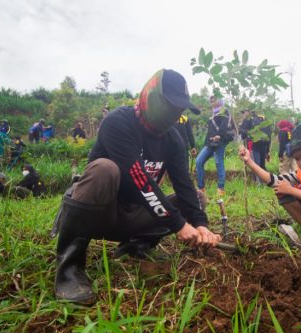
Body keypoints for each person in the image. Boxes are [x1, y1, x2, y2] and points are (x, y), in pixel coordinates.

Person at [51, 69, 221, 305]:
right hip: (99, 214)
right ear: (153, 99)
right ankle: (69, 270)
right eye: (172, 108)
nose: (176, 116)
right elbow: (140, 180)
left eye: (180, 110)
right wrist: (179, 224)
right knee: (104, 169)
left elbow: (184, 186)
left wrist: (201, 224)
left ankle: (134, 247)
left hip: (133, 215)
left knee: (198, 198)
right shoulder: (118, 123)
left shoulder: (173, 139)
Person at [195, 96, 231, 199]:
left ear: (219, 100)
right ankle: (201, 188)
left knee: (219, 163)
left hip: (219, 142)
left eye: (214, 99)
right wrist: (206, 142)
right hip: (209, 143)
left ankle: (221, 188)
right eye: (211, 99)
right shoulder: (213, 113)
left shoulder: (225, 111)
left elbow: (224, 125)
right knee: (198, 161)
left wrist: (219, 135)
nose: (212, 101)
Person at [240, 110, 272, 174]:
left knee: (255, 164)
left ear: (248, 112)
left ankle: (258, 182)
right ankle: (265, 181)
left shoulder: (248, 119)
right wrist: (268, 150)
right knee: (262, 164)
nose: (244, 114)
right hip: (264, 144)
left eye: (244, 112)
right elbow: (269, 135)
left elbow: (243, 133)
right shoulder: (264, 119)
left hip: (253, 144)